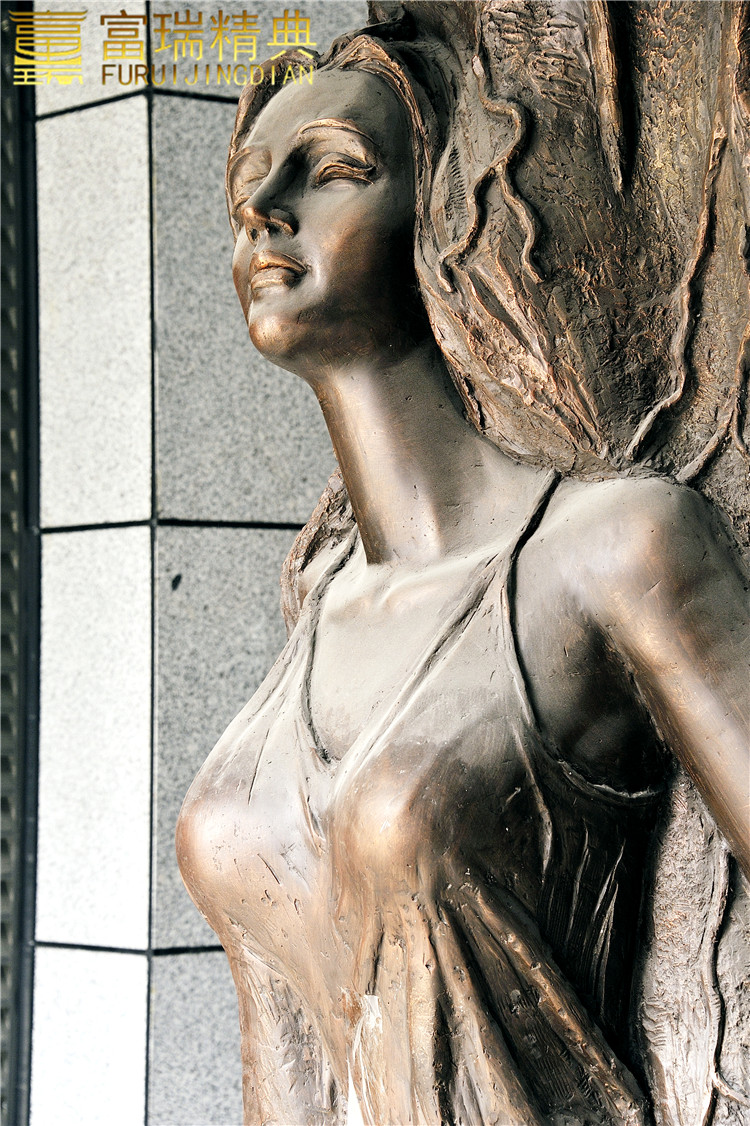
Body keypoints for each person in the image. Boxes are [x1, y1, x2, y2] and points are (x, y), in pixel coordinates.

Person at [176, 27, 749, 1126]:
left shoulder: (611, 550)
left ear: (447, 209)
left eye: (332, 169)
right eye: (250, 186)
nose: (264, 211)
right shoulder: (321, 598)